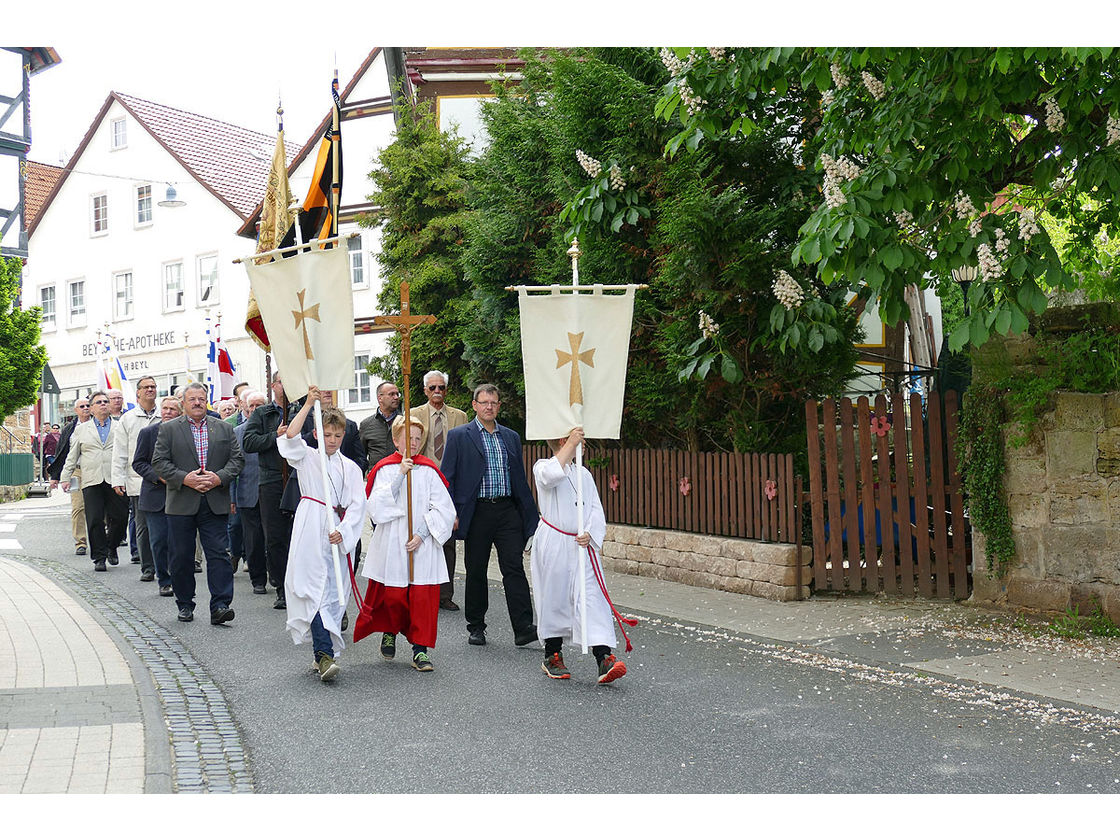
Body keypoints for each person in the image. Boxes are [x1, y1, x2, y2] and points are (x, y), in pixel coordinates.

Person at [440, 384, 539, 647]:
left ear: (499, 405)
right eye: (484, 403)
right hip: (477, 511)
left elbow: (518, 477)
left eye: (494, 403)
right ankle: (476, 626)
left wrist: (529, 515)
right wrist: (451, 512)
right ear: (474, 405)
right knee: (476, 570)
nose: (489, 407)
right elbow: (447, 478)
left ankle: (523, 627)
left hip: (507, 512)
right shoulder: (460, 436)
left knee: (514, 568)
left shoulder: (510, 437)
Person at [278, 387, 365, 682]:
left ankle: (325, 651)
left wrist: (343, 530)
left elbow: (357, 504)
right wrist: (309, 404)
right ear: (317, 433)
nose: (332, 440)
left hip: (337, 532)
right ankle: (324, 654)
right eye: (327, 435)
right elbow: (289, 438)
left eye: (337, 436)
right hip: (310, 524)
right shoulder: (307, 457)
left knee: (332, 594)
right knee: (310, 587)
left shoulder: (351, 468)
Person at [530, 427, 629, 684]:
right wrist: (571, 442)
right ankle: (552, 654)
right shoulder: (542, 466)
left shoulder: (583, 473)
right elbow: (551, 477)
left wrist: (590, 532)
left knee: (591, 597)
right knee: (555, 597)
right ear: (564, 441)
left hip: (582, 545)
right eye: (574, 441)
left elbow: (595, 508)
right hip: (555, 542)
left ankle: (603, 656)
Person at [360, 416, 455, 672]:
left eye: (417, 438)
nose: (413, 443)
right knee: (394, 595)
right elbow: (376, 506)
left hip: (421, 544)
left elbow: (444, 509)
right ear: (395, 440)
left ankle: (420, 649)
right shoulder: (385, 468)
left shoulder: (428, 470)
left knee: (422, 599)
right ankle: (390, 630)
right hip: (393, 540)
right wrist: (400, 475)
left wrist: (422, 534)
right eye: (408, 438)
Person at [153, 381, 244, 624]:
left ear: (207, 402)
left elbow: (236, 460)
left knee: (219, 555)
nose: (197, 403)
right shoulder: (169, 429)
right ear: (183, 403)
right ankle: (185, 604)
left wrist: (219, 478)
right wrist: (186, 479)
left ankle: (221, 605)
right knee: (181, 556)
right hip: (182, 502)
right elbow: (159, 462)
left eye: (201, 399)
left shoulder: (223, 429)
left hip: (214, 501)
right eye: (192, 399)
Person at [410, 369, 468, 611]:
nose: (437, 392)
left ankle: (445, 594)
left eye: (441, 388)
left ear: (446, 389)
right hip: (422, 480)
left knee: (447, 538)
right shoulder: (414, 414)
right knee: (419, 535)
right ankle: (416, 589)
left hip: (449, 482)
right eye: (432, 388)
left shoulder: (459, 416)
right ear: (425, 390)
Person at [57, 391, 129, 572]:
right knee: (95, 519)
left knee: (120, 517)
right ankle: (99, 556)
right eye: (99, 402)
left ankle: (112, 546)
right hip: (91, 479)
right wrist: (65, 478)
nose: (104, 404)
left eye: (106, 401)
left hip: (116, 479)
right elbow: (72, 456)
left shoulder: (120, 426)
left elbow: (129, 452)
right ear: (92, 408)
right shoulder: (81, 429)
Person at [242, 373, 295, 609]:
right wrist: (276, 436)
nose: (287, 385)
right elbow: (249, 442)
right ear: (273, 386)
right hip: (271, 481)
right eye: (282, 380)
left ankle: (300, 585)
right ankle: (282, 587)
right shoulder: (263, 413)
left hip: (299, 480)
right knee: (275, 538)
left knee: (299, 536)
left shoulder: (302, 410)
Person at [132, 395, 183, 597]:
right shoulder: (148, 433)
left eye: (172, 408)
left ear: (180, 412)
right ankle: (164, 580)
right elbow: (138, 462)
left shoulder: (186, 432)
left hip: (181, 494)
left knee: (178, 542)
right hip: (155, 495)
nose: (168, 412)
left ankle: (179, 578)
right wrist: (157, 477)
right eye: (165, 408)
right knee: (159, 540)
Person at [112, 376, 160, 581]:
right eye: (146, 387)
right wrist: (117, 479)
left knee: (165, 527)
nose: (150, 390)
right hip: (138, 480)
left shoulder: (164, 415)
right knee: (143, 526)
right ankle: (147, 567)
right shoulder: (128, 418)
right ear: (138, 392)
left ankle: (165, 565)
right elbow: (120, 451)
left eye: (153, 387)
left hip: (167, 480)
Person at [231, 391, 269, 595]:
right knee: (253, 540)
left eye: (259, 405)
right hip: (247, 493)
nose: (255, 410)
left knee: (273, 538)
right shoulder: (238, 432)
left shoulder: (276, 428)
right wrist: (232, 497)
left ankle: (276, 574)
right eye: (251, 406)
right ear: (244, 407)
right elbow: (233, 466)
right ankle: (258, 579)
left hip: (272, 491)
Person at [49, 397, 91, 555]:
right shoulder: (69, 429)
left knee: (99, 507)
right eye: (82, 406)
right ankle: (80, 542)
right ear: (76, 410)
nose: (86, 408)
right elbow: (61, 453)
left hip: (95, 470)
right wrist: (56, 476)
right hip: (76, 471)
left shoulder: (98, 424)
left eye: (88, 405)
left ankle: (103, 538)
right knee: (78, 506)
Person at [358, 381, 401, 473]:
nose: (396, 397)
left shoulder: (405, 422)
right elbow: (361, 456)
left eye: (397, 394)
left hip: (402, 476)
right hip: (377, 478)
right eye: (391, 394)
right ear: (380, 398)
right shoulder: (366, 425)